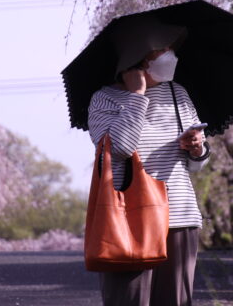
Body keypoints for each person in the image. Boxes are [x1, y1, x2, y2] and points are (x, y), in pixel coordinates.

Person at [87, 16, 210, 306]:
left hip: (179, 216)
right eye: (161, 51)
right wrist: (138, 96)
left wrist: (197, 149)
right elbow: (120, 147)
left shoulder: (178, 93)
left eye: (170, 49)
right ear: (137, 58)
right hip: (128, 218)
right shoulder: (103, 99)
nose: (171, 56)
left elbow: (196, 165)